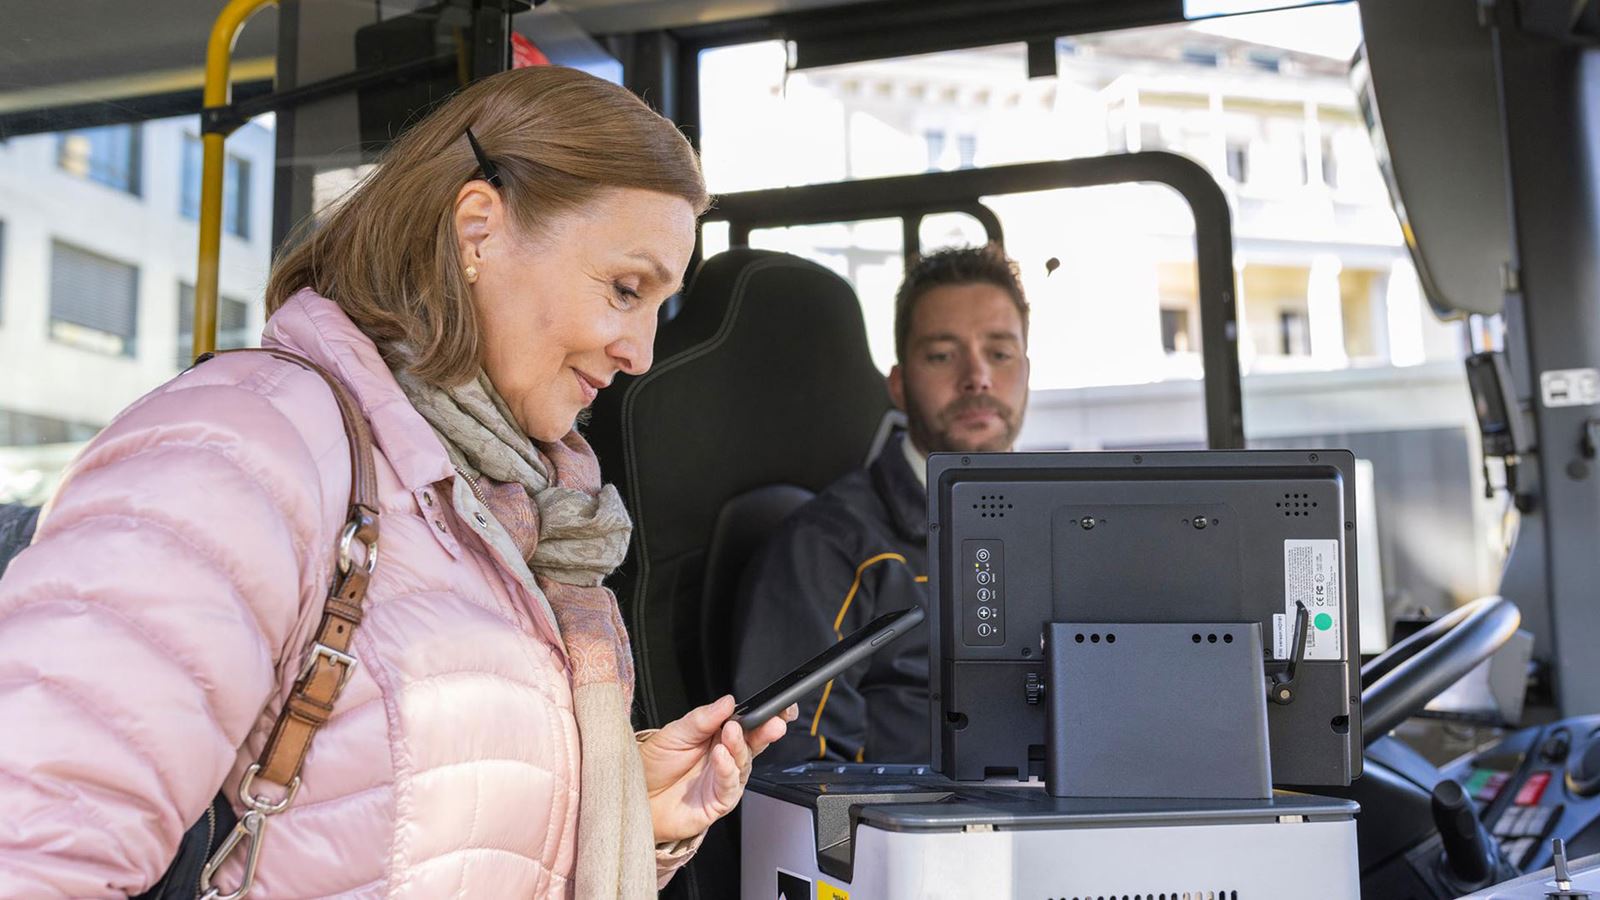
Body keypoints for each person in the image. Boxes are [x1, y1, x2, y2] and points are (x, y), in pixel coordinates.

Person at [0, 65, 794, 899]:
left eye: (656, 308)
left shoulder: (502, 507)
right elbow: (36, 851)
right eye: (625, 290)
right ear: (479, 230)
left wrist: (617, 806)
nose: (642, 353)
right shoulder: (243, 447)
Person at [732, 244, 1031, 765]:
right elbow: (799, 774)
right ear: (898, 384)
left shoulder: (1073, 530)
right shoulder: (829, 546)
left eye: (1000, 353)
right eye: (942, 355)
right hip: (920, 839)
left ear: (1028, 371)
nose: (977, 376)